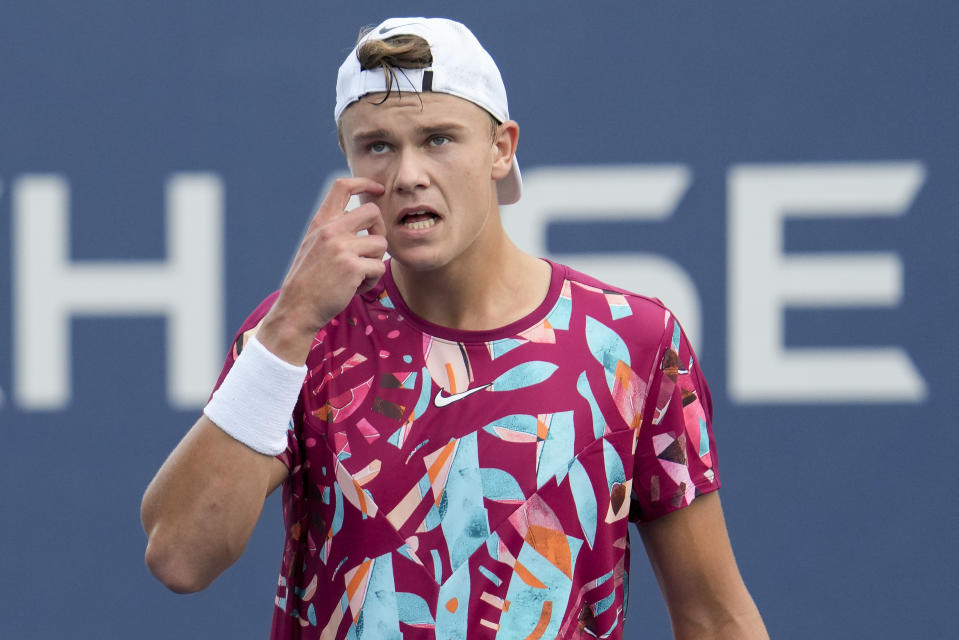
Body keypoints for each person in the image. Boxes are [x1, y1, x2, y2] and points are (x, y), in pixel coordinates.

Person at [141, 17, 768, 640]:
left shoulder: (633, 341)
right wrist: (289, 326)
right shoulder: (301, 335)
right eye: (378, 146)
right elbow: (180, 557)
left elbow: (714, 617)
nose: (408, 173)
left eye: (439, 139)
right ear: (349, 160)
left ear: (501, 149)